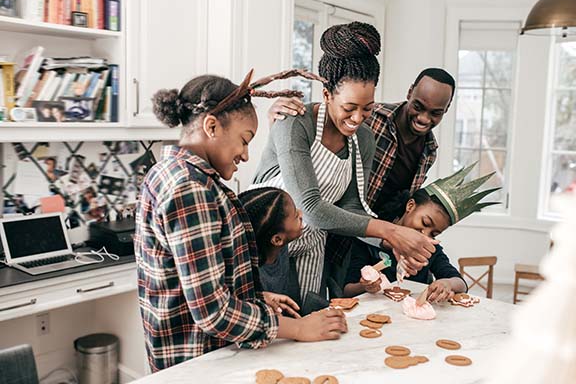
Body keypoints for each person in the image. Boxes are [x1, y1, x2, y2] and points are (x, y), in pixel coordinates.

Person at [135, 71, 347, 372]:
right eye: (244, 140)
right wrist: (298, 329)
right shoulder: (190, 189)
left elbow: (195, 283)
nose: (246, 155)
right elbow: (212, 313)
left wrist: (253, 297)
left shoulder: (169, 173)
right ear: (212, 126)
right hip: (198, 364)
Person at [252, 22, 437, 303]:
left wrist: (391, 244)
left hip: (314, 244)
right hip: (265, 246)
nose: (358, 118)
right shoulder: (294, 123)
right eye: (349, 108)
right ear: (326, 94)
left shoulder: (363, 138)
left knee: (312, 315)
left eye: (368, 108)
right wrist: (392, 230)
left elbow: (350, 206)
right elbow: (311, 208)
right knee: (274, 326)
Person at [268, 67, 456, 277]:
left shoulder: (430, 151)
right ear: (410, 92)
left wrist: (394, 241)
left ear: (446, 109)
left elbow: (362, 204)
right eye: (418, 106)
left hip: (369, 241)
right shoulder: (370, 118)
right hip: (327, 226)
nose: (423, 118)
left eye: (435, 113)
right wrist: (281, 115)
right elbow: (333, 107)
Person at [344, 163, 500, 302]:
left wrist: (447, 283)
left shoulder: (429, 250)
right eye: (425, 223)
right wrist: (366, 286)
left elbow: (460, 283)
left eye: (434, 234)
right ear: (410, 206)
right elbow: (347, 289)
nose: (424, 235)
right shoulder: (369, 242)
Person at [239, 187, 304, 315]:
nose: (301, 213)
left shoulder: (280, 248)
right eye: (296, 216)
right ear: (277, 239)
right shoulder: (253, 277)